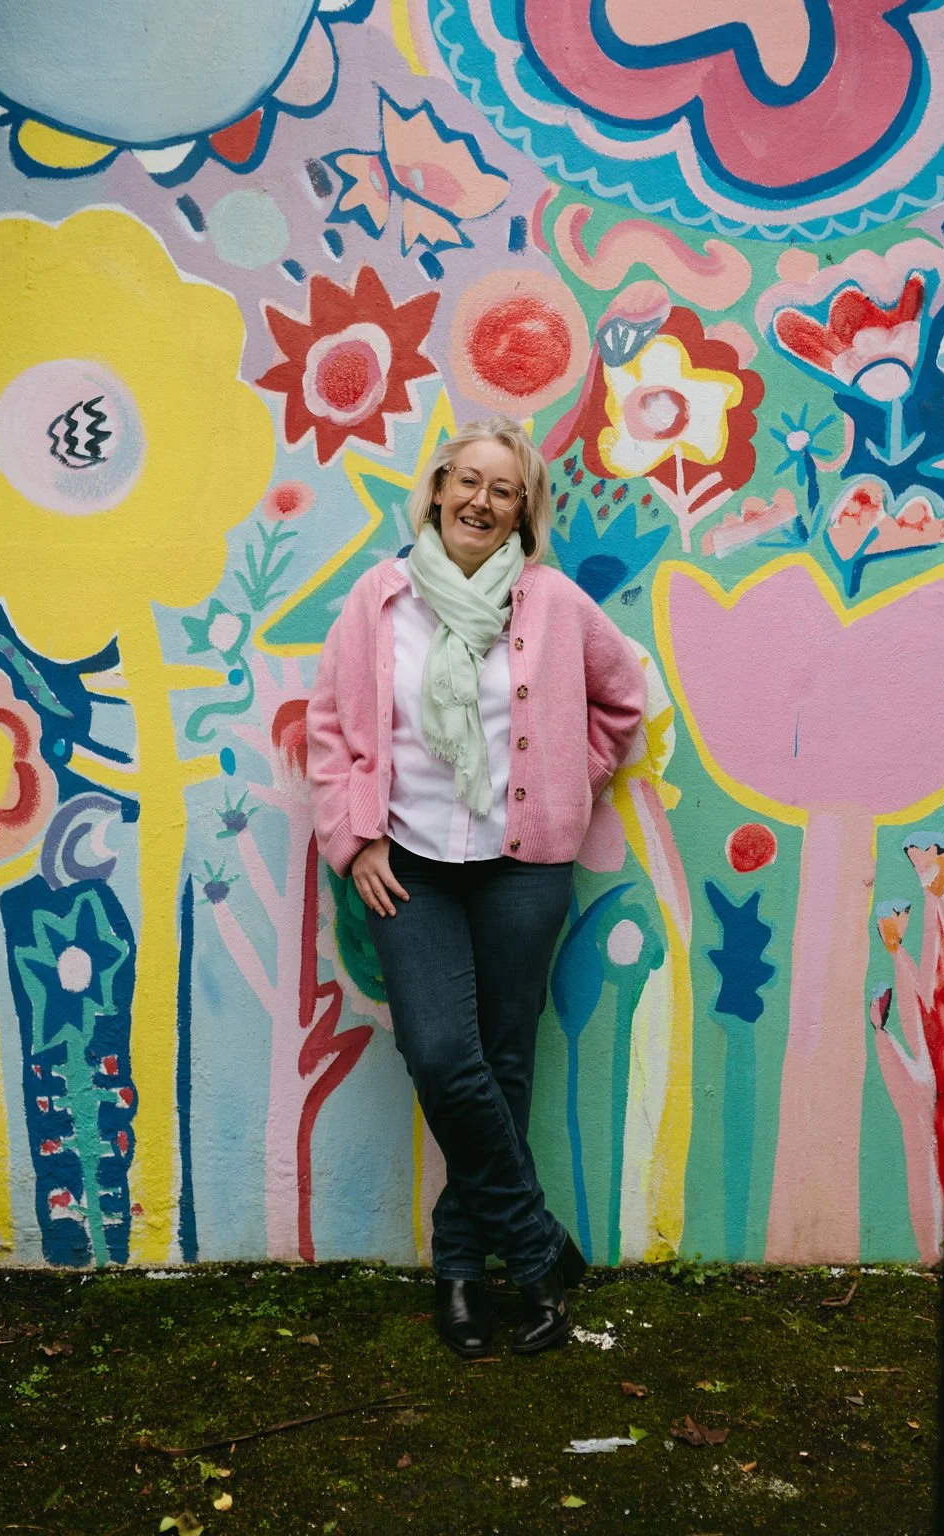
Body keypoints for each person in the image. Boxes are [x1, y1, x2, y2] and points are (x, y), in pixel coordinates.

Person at [306, 415, 646, 1357]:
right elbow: (328, 729)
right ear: (438, 488)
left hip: (522, 865)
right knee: (444, 1055)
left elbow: (623, 699)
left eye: (504, 490)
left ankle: (461, 1272)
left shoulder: (555, 605)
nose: (481, 501)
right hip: (408, 866)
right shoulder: (378, 602)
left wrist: (572, 779)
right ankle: (536, 1252)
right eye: (468, 480)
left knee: (502, 1065)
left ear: (523, 512)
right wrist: (356, 841)